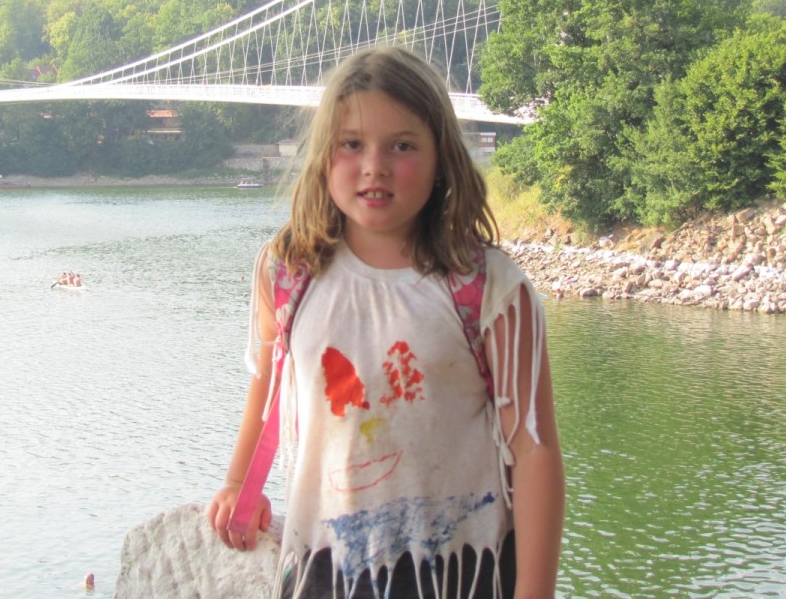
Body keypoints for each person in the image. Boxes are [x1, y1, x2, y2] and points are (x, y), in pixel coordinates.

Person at [207, 46, 565, 599]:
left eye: (402, 145)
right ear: (323, 155)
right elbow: (269, 385)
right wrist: (239, 484)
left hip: (462, 574)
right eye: (351, 144)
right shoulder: (287, 271)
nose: (374, 166)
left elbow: (535, 450)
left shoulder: (488, 288)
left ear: (442, 158)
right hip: (324, 572)